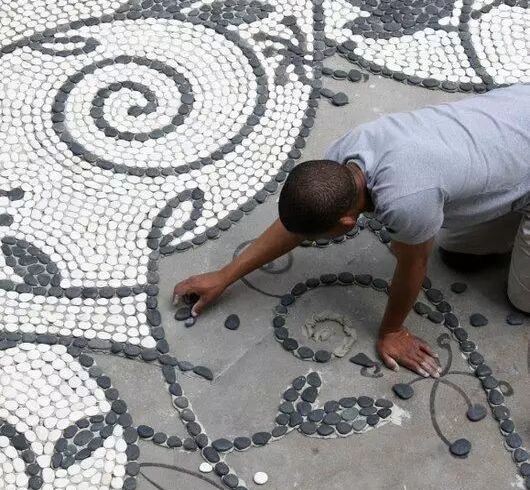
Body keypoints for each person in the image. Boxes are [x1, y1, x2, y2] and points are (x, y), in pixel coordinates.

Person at [173, 84, 530, 377]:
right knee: (459, 257)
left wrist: (392, 331)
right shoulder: (343, 157)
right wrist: (225, 275)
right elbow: (299, 222)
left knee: (521, 299)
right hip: (514, 113)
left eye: (317, 237)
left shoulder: (407, 202)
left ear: (346, 223)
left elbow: (414, 265)